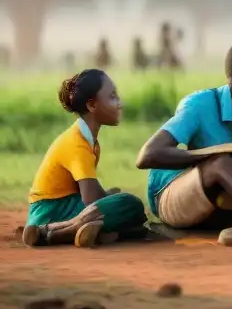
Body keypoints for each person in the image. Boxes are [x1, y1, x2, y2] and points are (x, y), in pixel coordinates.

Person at [136, 39, 232, 233]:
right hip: (171, 194)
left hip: (217, 198)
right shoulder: (199, 105)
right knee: (221, 163)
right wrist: (211, 155)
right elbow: (147, 155)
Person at [23, 70, 147, 248]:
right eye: (112, 97)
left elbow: (87, 192)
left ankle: (97, 231)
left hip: (60, 205)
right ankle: (57, 232)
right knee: (130, 204)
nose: (120, 103)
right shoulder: (78, 143)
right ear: (92, 105)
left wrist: (109, 196)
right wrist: (111, 198)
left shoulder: (88, 140)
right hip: (51, 211)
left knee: (118, 200)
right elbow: (90, 198)